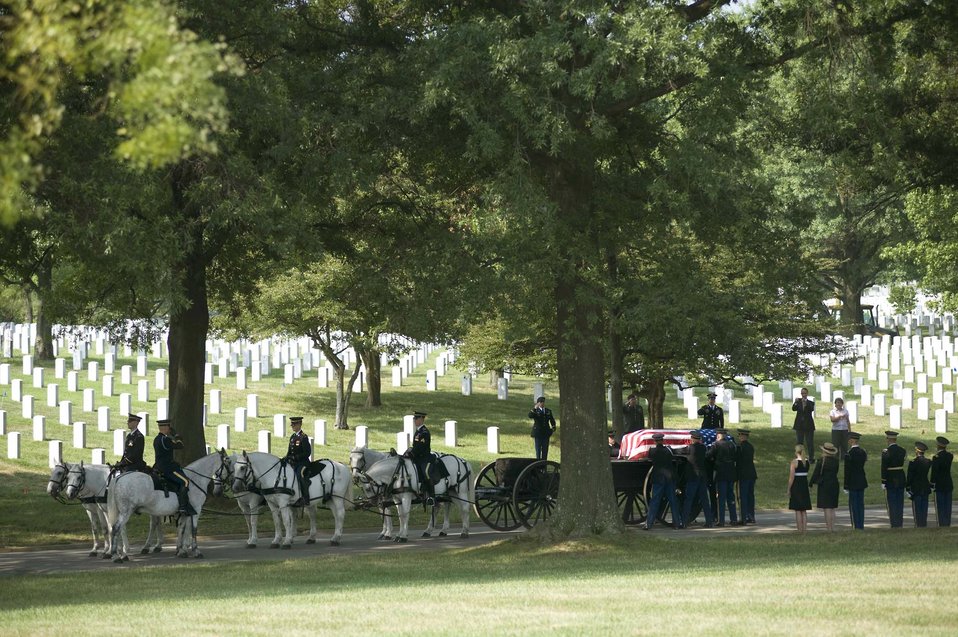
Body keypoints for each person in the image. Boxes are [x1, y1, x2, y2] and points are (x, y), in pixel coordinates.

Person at [153, 419, 194, 515]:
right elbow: (180, 445)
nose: (169, 430)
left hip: (159, 466)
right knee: (185, 481)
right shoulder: (165, 440)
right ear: (165, 428)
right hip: (167, 468)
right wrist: (176, 436)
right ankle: (183, 507)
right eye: (169, 427)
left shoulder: (157, 439)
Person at [645, 433, 682, 530]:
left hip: (658, 478)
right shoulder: (668, 450)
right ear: (662, 440)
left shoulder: (652, 451)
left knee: (654, 501)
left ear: (655, 441)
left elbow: (649, 458)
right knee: (673, 501)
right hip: (669, 478)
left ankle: (649, 523)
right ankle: (677, 523)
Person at [706, 429, 738, 527]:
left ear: (718, 435)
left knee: (721, 498)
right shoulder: (732, 445)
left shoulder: (716, 445)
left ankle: (721, 520)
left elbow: (708, 456)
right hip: (731, 473)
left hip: (721, 474)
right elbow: (735, 457)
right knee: (731, 497)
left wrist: (713, 459)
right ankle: (734, 519)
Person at [682, 430, 714, 528]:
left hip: (693, 477)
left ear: (692, 439)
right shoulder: (703, 448)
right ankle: (709, 521)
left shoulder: (689, 448)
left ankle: (684, 522)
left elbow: (679, 451)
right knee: (705, 500)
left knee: (688, 499)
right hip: (702, 476)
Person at [810, 442, 840, 531]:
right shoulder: (836, 461)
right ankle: (833, 527)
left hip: (824, 485)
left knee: (827, 508)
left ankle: (829, 528)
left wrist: (811, 483)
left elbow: (816, 473)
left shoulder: (822, 461)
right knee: (832, 508)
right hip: (834, 483)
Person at [881, 430, 907, 528]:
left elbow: (884, 467)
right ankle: (899, 522)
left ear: (888, 439)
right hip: (900, 477)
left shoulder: (886, 452)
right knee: (900, 502)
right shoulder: (902, 450)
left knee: (892, 502)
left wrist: (883, 481)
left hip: (890, 478)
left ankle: (894, 523)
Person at [284, 416, 312, 507]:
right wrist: (286, 458)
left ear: (299, 424)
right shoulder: (293, 437)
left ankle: (305, 498)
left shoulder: (303, 437)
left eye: (294, 424)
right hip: (293, 463)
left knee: (300, 475)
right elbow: (289, 451)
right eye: (292, 424)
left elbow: (307, 452)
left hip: (303, 463)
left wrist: (296, 457)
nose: (292, 426)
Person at [844, 431, 868, 530]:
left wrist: (845, 486)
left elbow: (847, 471)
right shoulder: (863, 452)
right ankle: (861, 524)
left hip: (852, 481)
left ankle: (855, 525)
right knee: (860, 504)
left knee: (854, 504)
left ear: (851, 441)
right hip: (861, 480)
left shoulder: (849, 454)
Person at [906, 441, 932, 528]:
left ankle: (918, 524)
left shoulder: (913, 462)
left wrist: (908, 488)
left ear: (917, 451)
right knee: (924, 508)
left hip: (916, 488)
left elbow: (910, 477)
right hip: (925, 486)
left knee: (917, 508)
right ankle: (923, 523)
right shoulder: (928, 461)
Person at [787, 444, 812, 533]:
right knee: (804, 510)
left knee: (798, 510)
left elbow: (791, 477)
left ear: (796, 452)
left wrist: (788, 488)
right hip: (804, 485)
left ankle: (799, 529)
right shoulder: (807, 462)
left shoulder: (794, 462)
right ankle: (804, 529)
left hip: (796, 486)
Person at [409, 411, 434, 501]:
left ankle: (431, 496)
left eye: (416, 418)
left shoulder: (424, 432)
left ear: (421, 419)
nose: (414, 420)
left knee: (426, 473)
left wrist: (412, 453)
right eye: (414, 418)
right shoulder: (418, 431)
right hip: (417, 458)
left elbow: (420, 447)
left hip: (425, 458)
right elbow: (415, 446)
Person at [930, 436, 953, 527]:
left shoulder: (936, 457)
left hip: (939, 484)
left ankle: (941, 523)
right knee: (948, 505)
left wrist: (932, 483)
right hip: (948, 483)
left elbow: (934, 472)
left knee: (940, 506)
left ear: (938, 445)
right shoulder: (950, 456)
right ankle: (947, 523)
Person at [736, 429, 757, 525]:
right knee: (750, 496)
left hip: (743, 474)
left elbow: (738, 460)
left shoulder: (740, 447)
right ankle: (751, 516)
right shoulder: (750, 446)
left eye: (740, 436)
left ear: (742, 436)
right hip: (751, 473)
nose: (739, 437)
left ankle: (743, 517)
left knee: (743, 497)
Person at [792, 388, 816, 462]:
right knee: (799, 442)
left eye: (805, 393)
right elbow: (793, 409)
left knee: (810, 442)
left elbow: (811, 409)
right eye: (802, 393)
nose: (803, 395)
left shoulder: (811, 403)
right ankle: (799, 457)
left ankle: (811, 458)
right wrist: (795, 402)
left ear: (807, 394)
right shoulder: (798, 402)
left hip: (808, 425)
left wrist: (805, 404)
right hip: (799, 425)